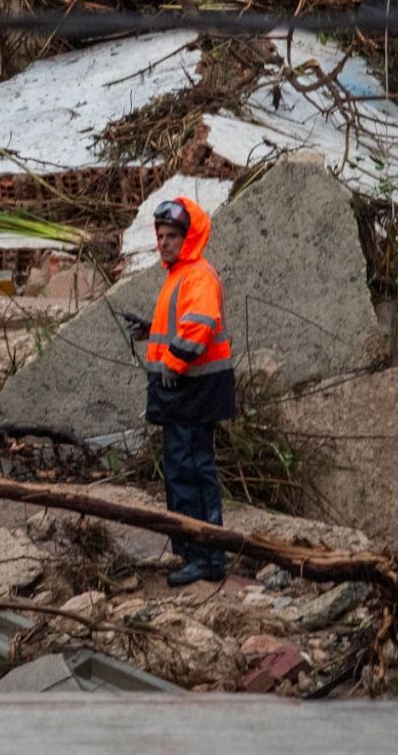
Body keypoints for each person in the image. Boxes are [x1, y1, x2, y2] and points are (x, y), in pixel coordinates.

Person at [126, 198, 236, 586]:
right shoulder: (180, 276)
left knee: (192, 472)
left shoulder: (197, 276)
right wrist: (149, 331)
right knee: (181, 472)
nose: (164, 242)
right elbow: (181, 325)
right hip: (183, 395)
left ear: (188, 237)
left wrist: (171, 364)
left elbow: (199, 327)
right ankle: (192, 551)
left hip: (192, 392)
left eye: (172, 235)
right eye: (160, 235)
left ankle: (206, 556)